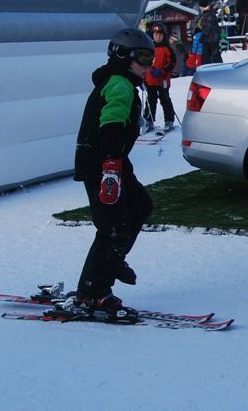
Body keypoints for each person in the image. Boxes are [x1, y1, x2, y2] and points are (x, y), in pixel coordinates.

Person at [66, 28, 155, 322]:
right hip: (102, 165)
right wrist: (111, 167)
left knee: (140, 206)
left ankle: (112, 261)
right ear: (121, 56)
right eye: (142, 57)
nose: (147, 65)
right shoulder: (119, 84)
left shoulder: (123, 82)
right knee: (112, 228)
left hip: (113, 161)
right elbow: (111, 125)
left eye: (150, 58)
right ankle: (92, 291)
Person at [142, 22, 176, 134]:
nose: (158, 37)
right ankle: (148, 121)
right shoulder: (148, 48)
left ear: (164, 36)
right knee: (150, 101)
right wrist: (144, 75)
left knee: (165, 100)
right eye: (156, 35)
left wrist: (163, 71)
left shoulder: (167, 48)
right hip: (150, 80)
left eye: (160, 35)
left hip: (163, 80)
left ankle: (169, 120)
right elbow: (143, 62)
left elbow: (172, 62)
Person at [198, 0, 222, 64]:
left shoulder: (208, 15)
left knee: (210, 57)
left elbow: (207, 27)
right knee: (212, 56)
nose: (199, 8)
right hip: (211, 39)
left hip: (210, 39)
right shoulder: (208, 14)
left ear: (202, 6)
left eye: (200, 6)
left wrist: (203, 37)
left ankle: (218, 69)